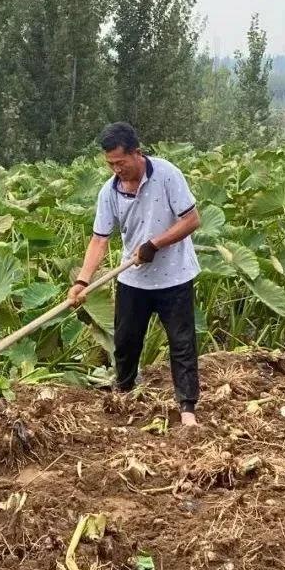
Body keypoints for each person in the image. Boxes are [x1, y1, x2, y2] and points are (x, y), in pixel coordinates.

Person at [68, 122, 202, 427]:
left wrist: (155, 243)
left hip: (175, 276)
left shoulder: (167, 174)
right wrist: (82, 281)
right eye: (110, 164)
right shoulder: (109, 192)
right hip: (134, 279)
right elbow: (100, 240)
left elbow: (192, 220)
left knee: (182, 343)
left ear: (136, 153)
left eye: (121, 162)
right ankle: (124, 396)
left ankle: (187, 410)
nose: (116, 169)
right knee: (126, 343)